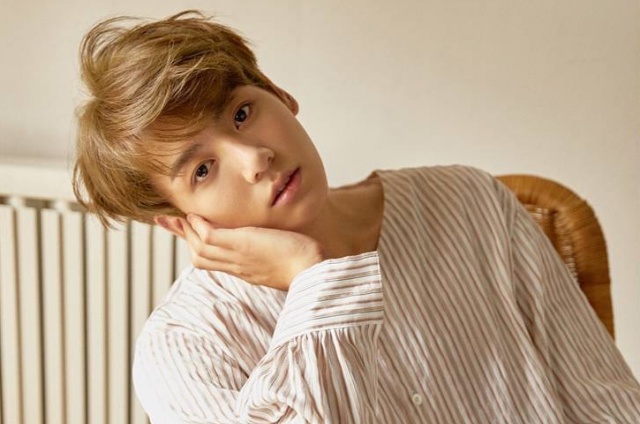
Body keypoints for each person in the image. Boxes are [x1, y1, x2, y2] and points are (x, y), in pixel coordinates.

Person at [73, 10, 640, 424]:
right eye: (202, 170)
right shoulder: (185, 350)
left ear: (280, 95)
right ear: (177, 220)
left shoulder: (471, 200)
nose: (254, 159)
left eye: (242, 113)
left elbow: (605, 401)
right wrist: (317, 285)